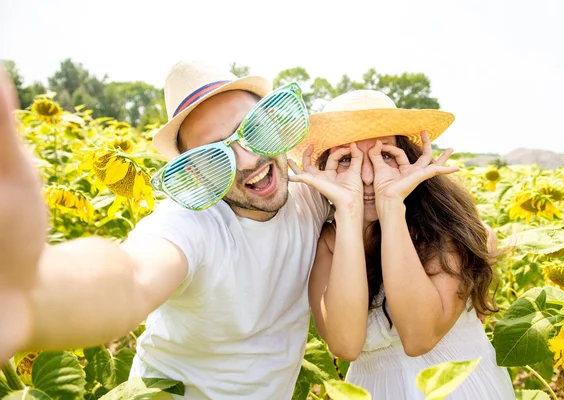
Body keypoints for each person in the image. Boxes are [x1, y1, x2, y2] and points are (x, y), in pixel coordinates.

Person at [0, 60, 331, 399]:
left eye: (252, 130)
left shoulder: (313, 195)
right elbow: (132, 277)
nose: (246, 161)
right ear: (196, 174)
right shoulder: (192, 222)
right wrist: (25, 297)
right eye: (214, 155)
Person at [288, 90, 515, 399]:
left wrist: (392, 205)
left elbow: (419, 336)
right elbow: (345, 345)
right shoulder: (329, 240)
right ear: (325, 170)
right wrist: (349, 213)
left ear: (407, 158)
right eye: (346, 160)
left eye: (384, 156)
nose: (368, 176)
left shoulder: (444, 227)